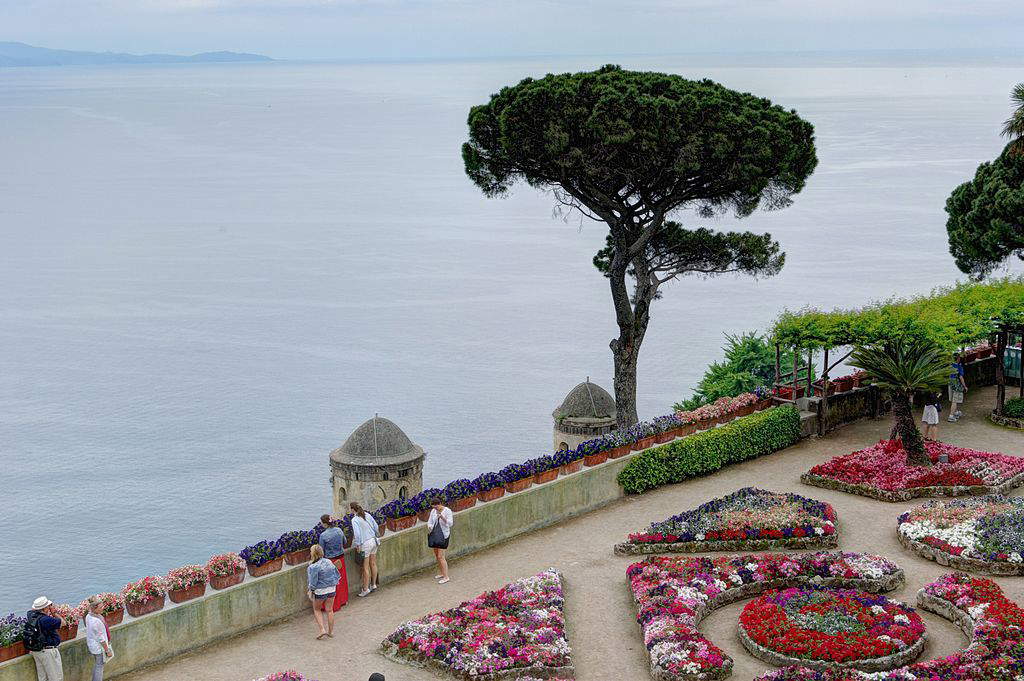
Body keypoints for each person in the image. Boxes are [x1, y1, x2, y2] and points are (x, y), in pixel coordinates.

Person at [24, 596, 64, 681]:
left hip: (36, 651)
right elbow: (63, 623)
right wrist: (54, 613)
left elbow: (32, 610)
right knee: (56, 678)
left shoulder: (30, 615)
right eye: (48, 606)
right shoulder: (46, 620)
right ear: (45, 608)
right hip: (47, 652)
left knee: (43, 678)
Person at [306, 544, 341, 640]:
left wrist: (311, 590)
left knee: (317, 609)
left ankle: (322, 630)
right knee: (329, 610)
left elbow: (312, 582)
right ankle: (330, 631)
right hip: (332, 588)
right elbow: (336, 574)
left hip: (320, 591)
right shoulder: (329, 561)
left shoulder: (313, 567)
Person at [317, 514, 349, 610]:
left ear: (325, 524)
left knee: (332, 583)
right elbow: (345, 542)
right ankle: (343, 600)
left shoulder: (323, 535)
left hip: (330, 561)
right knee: (342, 580)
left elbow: (321, 551)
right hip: (341, 559)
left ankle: (334, 605)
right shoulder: (339, 530)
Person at [349, 502, 380, 597]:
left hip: (366, 543)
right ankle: (373, 584)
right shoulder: (367, 514)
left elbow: (357, 534)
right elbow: (376, 526)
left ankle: (365, 589)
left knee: (365, 567)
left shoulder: (354, 520)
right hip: (374, 541)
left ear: (352, 509)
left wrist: (358, 545)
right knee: (373, 563)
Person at [426, 496, 454, 585]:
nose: (435, 509)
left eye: (436, 507)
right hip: (435, 535)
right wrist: (430, 527)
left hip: (444, 536)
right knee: (437, 556)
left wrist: (442, 517)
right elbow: (429, 522)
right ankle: (442, 573)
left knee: (441, 556)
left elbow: (450, 524)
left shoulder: (447, 511)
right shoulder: (433, 511)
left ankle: (446, 577)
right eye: (433, 507)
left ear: (440, 504)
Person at [84, 597, 113, 681]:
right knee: (99, 666)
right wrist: (107, 650)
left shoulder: (88, 616)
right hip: (98, 647)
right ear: (94, 608)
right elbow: (101, 639)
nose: (102, 608)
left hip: (92, 645)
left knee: (97, 665)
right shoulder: (96, 621)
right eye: (100, 607)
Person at [948, 353, 967, 422]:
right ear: (958, 358)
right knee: (955, 401)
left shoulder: (950, 365)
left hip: (950, 384)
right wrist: (965, 386)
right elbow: (961, 377)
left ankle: (955, 412)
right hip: (956, 385)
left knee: (953, 399)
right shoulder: (959, 366)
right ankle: (951, 416)